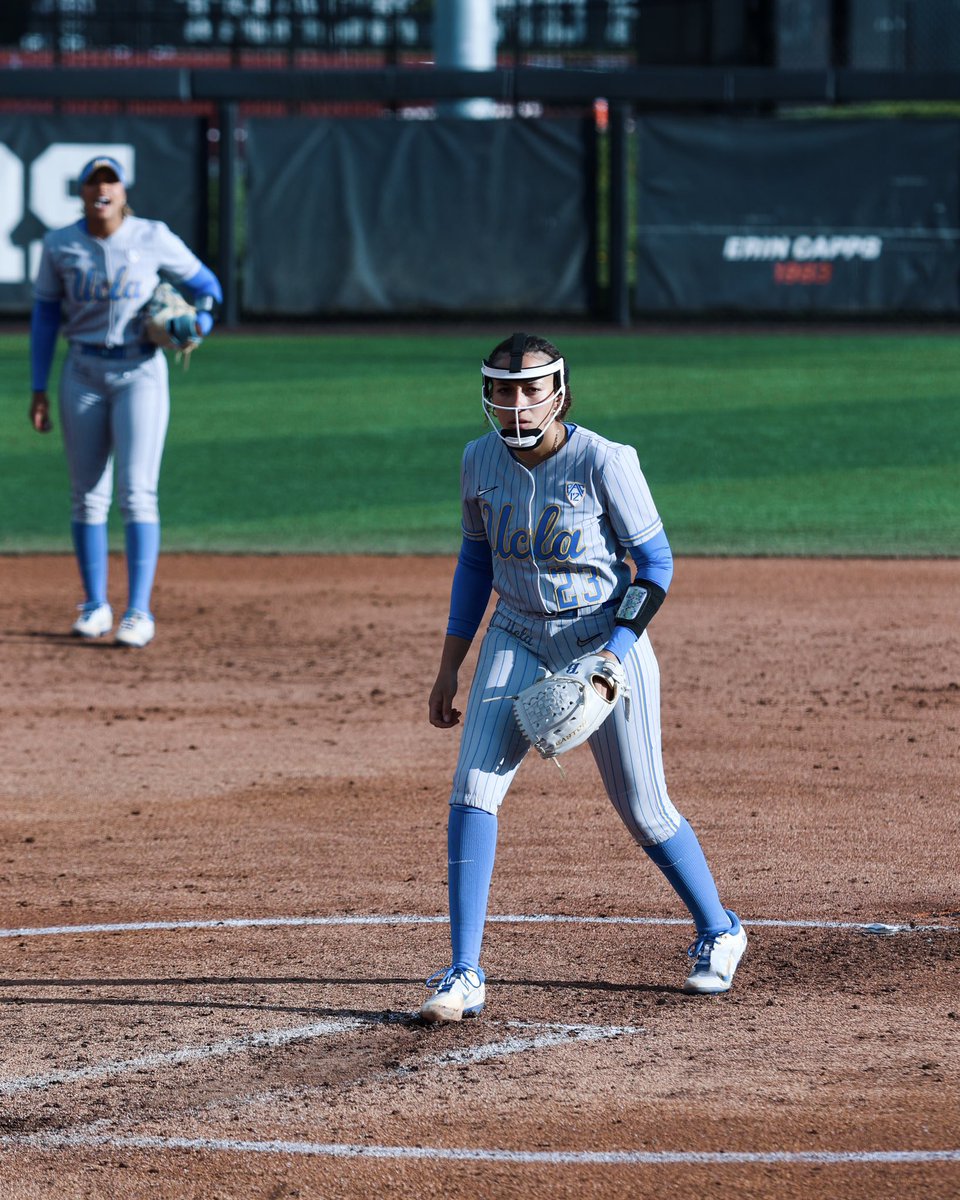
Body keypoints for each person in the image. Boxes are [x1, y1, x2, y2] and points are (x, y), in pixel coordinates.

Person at [420, 332, 747, 1023]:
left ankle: (719, 929)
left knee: (644, 808)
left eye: (530, 388)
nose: (516, 403)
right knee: (474, 789)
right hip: (514, 634)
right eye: (504, 390)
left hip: (601, 639)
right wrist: (450, 663)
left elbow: (654, 567)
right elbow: (475, 564)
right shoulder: (477, 462)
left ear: (558, 390)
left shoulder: (604, 461)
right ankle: (462, 972)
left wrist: (614, 652)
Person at [29, 154, 223, 647]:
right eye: (94, 181)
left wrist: (198, 323)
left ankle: (138, 612)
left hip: (140, 371)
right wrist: (37, 387)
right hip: (83, 371)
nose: (102, 189)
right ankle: (94, 605)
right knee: (87, 494)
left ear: (122, 190)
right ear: (82, 192)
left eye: (110, 180)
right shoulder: (60, 244)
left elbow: (208, 287)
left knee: (137, 492)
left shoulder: (152, 236)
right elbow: (45, 318)